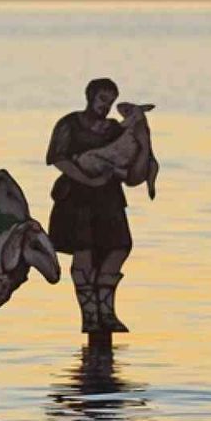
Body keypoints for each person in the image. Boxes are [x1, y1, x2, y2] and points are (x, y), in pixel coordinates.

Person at [45, 78, 151, 335]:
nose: (106, 106)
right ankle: (90, 316)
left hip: (109, 198)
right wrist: (87, 179)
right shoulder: (69, 124)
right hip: (76, 198)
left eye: (111, 101)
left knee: (118, 248)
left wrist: (143, 139)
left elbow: (131, 165)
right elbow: (58, 159)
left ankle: (107, 311)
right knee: (85, 252)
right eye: (103, 100)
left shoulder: (114, 128)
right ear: (91, 97)